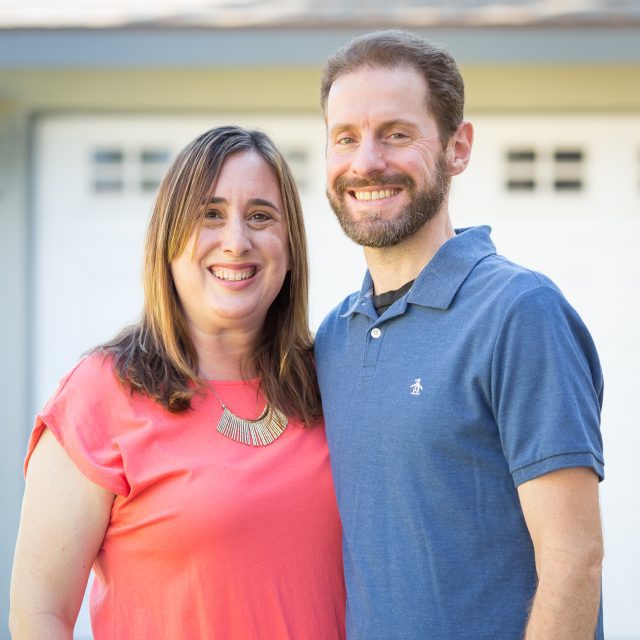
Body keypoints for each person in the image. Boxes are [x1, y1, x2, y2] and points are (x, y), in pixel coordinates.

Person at [314, 30, 604, 640]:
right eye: (345, 138)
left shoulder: (519, 313)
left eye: (396, 133)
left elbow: (574, 562)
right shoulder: (333, 339)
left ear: (458, 147)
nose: (366, 161)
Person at [10, 126, 346, 639]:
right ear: (169, 239)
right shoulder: (100, 393)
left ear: (290, 244)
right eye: (210, 215)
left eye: (260, 216)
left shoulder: (333, 381)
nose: (236, 241)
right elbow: (39, 614)